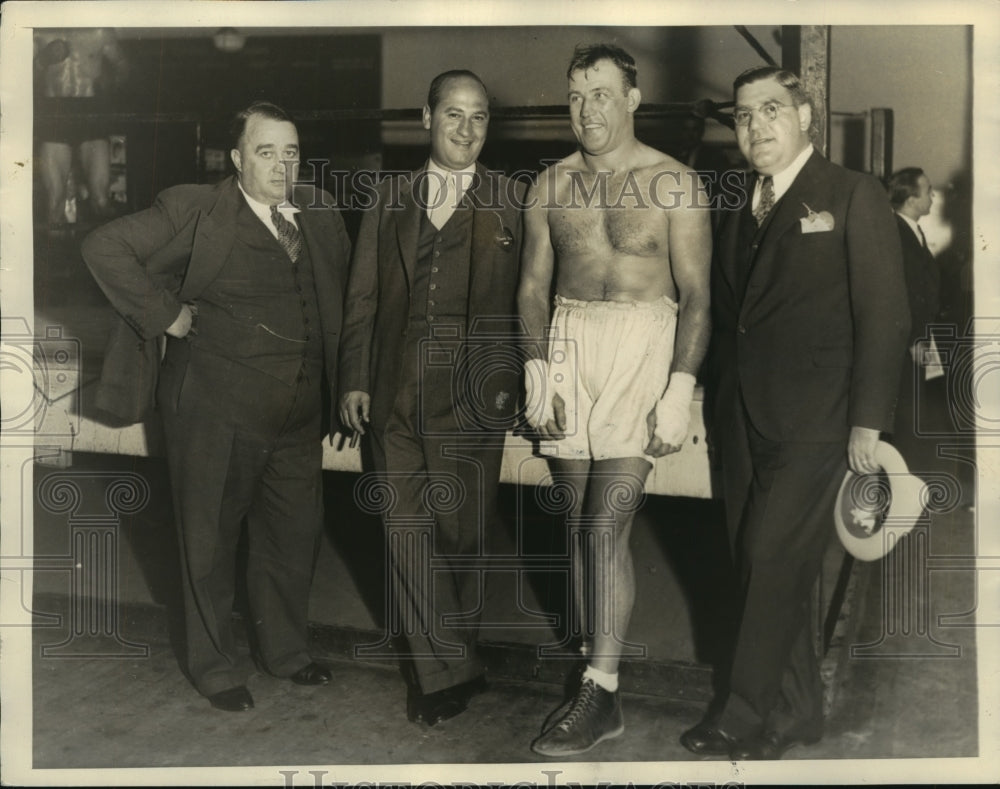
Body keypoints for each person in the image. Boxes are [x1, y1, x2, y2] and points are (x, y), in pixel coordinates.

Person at [82, 101, 351, 712]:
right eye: (265, 152)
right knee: (208, 541)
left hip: (297, 414)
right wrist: (166, 315)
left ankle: (286, 652)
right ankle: (214, 666)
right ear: (236, 159)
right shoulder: (195, 208)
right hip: (212, 408)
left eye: (291, 152)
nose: (282, 166)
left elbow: (340, 303)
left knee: (292, 537)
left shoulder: (321, 213)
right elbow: (103, 246)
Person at [681, 66, 910, 760]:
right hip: (742, 417)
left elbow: (886, 314)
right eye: (743, 116)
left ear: (805, 116)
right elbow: (733, 319)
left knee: (769, 553)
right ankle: (799, 710)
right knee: (760, 568)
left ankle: (742, 711)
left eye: (772, 110)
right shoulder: (739, 205)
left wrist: (868, 419)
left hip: (820, 419)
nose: (756, 127)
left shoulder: (851, 193)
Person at [517, 44, 712, 757]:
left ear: (633, 99)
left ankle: (598, 686)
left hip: (642, 345)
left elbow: (698, 298)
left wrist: (679, 386)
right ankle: (603, 683)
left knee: (605, 526)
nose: (587, 108)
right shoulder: (548, 184)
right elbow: (533, 287)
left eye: (602, 93)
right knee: (579, 527)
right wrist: (538, 366)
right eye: (575, 95)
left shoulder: (675, 183)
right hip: (570, 343)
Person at [338, 71, 525, 727]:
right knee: (406, 532)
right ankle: (440, 672)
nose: (466, 129)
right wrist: (354, 377)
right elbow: (362, 297)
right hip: (393, 390)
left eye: (479, 117)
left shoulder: (512, 199)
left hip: (475, 397)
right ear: (426, 118)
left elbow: (532, 300)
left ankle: (458, 656)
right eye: (453, 114)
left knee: (462, 534)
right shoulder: (387, 198)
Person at [34, 28, 128, 231]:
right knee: (54, 201)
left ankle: (108, 256)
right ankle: (54, 261)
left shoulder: (100, 32)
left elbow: (123, 66)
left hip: (91, 110)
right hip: (54, 111)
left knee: (101, 200)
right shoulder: (41, 31)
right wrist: (43, 59)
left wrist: (109, 86)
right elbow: (15, 71)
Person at [886, 167, 941, 473]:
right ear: (909, 199)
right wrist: (914, 339)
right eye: (928, 190)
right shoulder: (896, 233)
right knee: (907, 421)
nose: (933, 196)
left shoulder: (913, 231)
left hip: (919, 341)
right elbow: (901, 295)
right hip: (908, 344)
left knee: (917, 417)